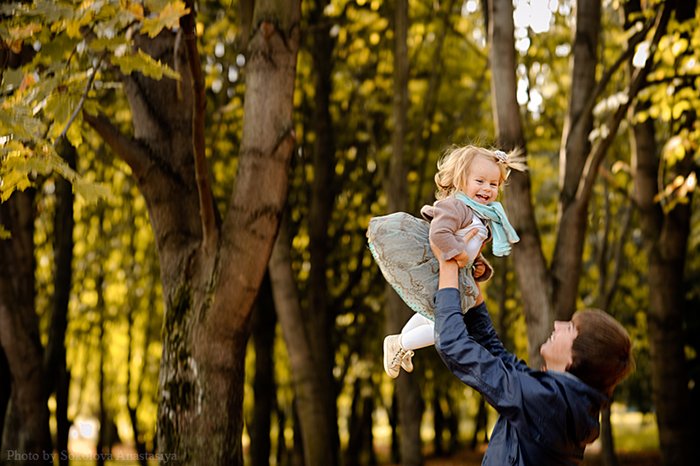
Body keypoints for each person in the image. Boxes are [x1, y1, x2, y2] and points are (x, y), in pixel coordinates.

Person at [431, 239, 635, 465]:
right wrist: (469, 280)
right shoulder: (559, 402)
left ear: (575, 358)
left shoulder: (546, 403)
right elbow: (495, 352)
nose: (557, 324)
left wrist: (447, 261)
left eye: (570, 328)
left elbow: (453, 344)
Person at [374, 145, 525, 378]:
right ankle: (402, 343)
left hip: (456, 272)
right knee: (449, 327)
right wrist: (461, 254)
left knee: (432, 316)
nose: (487, 189)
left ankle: (399, 343)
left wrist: (477, 263)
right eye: (480, 181)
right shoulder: (457, 206)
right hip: (442, 269)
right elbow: (439, 234)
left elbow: (469, 243)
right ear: (461, 180)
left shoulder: (481, 214)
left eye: (493, 184)